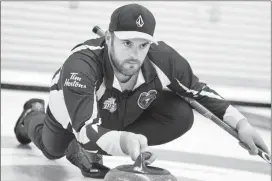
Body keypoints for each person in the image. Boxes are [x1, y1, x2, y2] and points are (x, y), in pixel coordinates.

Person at [14, 3, 269, 179]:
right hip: (71, 113)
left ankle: (94, 150)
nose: (135, 55)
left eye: (143, 45)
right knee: (53, 150)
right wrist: (124, 142)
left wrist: (242, 123)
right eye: (126, 43)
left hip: (118, 110)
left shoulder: (162, 57)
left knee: (181, 112)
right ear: (109, 37)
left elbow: (198, 91)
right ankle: (31, 116)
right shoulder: (81, 65)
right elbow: (85, 130)